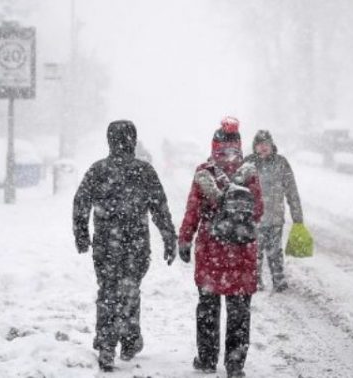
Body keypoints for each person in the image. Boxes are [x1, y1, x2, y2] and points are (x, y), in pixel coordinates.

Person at [72, 120, 177, 372]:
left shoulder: (98, 170)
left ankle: (106, 345)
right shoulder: (144, 171)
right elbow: (159, 207)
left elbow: (80, 203)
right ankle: (129, 340)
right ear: (133, 140)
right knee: (130, 289)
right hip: (136, 243)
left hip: (106, 244)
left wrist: (82, 235)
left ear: (109, 140)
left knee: (108, 292)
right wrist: (169, 238)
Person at [178, 117, 263, 378]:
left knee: (208, 307)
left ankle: (206, 359)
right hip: (242, 252)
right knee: (239, 310)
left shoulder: (205, 173)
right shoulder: (249, 173)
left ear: (214, 146)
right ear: (239, 145)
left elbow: (192, 210)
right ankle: (235, 364)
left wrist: (185, 238)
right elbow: (258, 211)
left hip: (211, 249)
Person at [245, 130, 303, 292]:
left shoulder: (281, 163)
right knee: (254, 252)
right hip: (254, 218)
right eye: (259, 144)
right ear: (255, 147)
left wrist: (297, 216)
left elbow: (292, 191)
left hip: (275, 218)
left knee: (275, 252)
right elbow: (238, 189)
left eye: (266, 144)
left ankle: (278, 280)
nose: (263, 147)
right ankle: (255, 281)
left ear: (271, 145)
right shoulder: (248, 164)